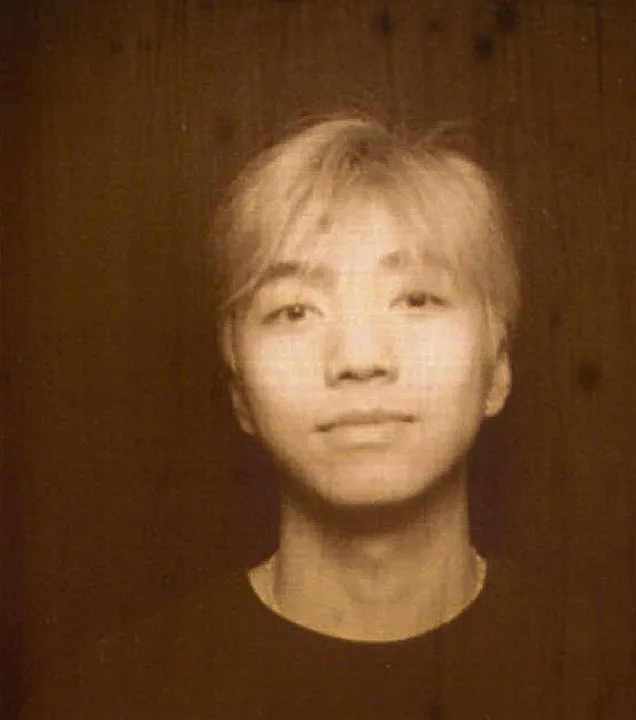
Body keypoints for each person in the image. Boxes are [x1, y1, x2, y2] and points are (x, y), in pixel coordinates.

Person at [20, 115, 550, 719]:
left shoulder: (628, 683)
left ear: (496, 367)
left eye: (417, 298)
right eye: (295, 311)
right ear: (239, 388)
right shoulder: (100, 702)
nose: (359, 359)